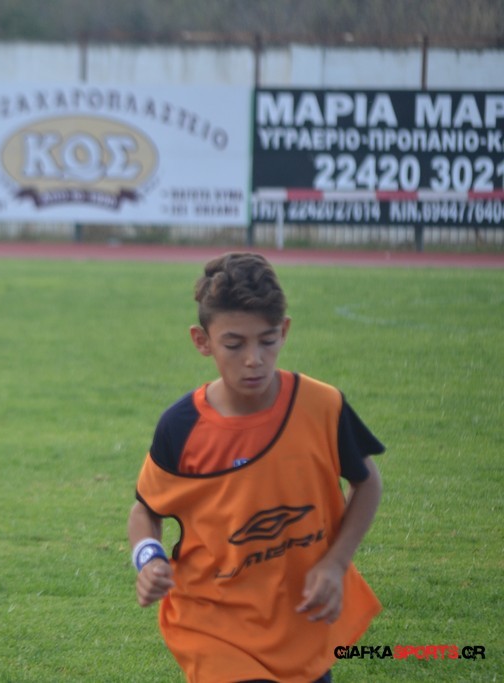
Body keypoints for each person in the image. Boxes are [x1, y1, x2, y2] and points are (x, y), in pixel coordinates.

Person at [127, 252, 383, 683]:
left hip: (300, 621)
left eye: (267, 340)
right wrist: (148, 558)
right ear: (202, 341)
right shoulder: (181, 427)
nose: (254, 359)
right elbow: (146, 510)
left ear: (284, 331)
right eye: (234, 344)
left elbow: (367, 482)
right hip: (212, 626)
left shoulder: (322, 406)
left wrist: (336, 563)